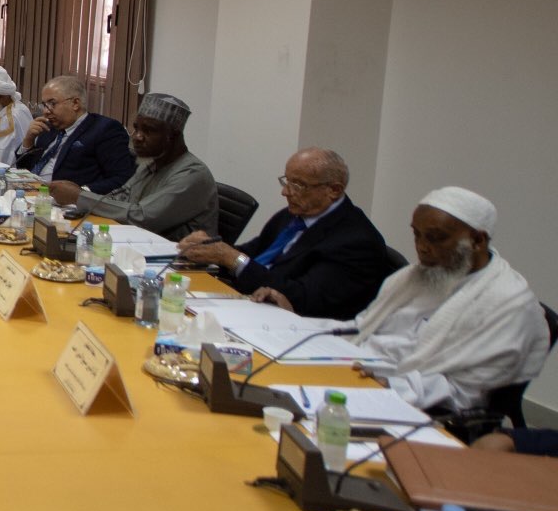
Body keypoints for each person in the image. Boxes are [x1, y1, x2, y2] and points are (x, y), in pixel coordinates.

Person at [342, 189, 546, 412]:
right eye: (416, 234)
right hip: (357, 371)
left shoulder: (508, 304)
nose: (421, 246)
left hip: (409, 401)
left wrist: (393, 385)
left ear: (477, 240)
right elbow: (363, 326)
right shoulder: (417, 276)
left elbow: (465, 392)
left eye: (435, 237)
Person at [174, 149, 398, 321]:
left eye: (298, 185)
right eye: (287, 181)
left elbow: (303, 298)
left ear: (334, 190)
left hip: (295, 327)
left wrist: (230, 257)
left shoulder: (356, 241)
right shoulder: (293, 215)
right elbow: (252, 253)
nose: (285, 191)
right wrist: (208, 250)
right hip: (246, 304)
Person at [50, 93, 216, 241]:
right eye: (136, 128)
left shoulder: (192, 174)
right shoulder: (152, 163)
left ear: (173, 136)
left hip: (181, 265)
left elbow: (142, 217)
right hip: (138, 246)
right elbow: (120, 197)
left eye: (148, 130)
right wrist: (79, 195)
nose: (137, 137)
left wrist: (79, 196)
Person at [14, 75, 134, 194]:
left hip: (64, 204)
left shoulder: (105, 129)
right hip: (28, 192)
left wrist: (79, 193)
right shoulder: (48, 127)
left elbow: (121, 179)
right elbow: (24, 169)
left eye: (52, 104)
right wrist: (28, 140)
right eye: (45, 105)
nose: (46, 111)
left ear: (75, 103)